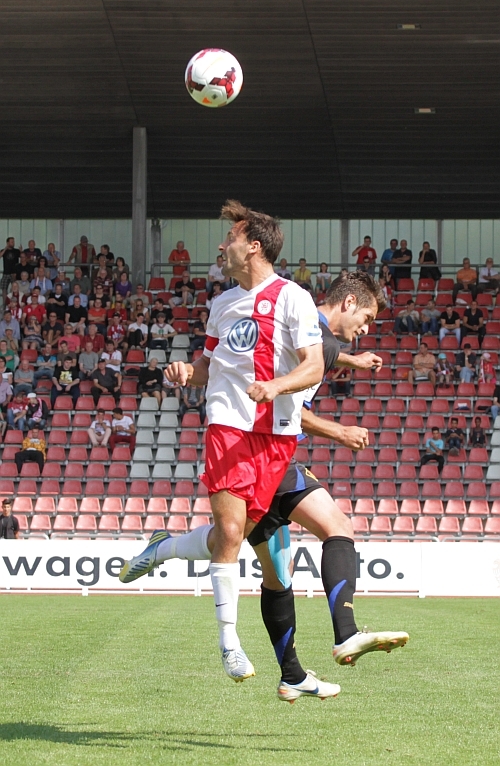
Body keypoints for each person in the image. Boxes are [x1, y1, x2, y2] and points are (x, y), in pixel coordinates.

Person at [121, 269, 409, 698]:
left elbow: (315, 355)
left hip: (272, 453)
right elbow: (295, 402)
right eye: (366, 318)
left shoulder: (313, 332)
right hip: (264, 450)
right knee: (333, 530)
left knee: (270, 570)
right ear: (348, 303)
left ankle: (292, 674)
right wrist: (340, 431)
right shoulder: (312, 332)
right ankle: (344, 634)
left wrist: (353, 361)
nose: (365, 329)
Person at [161, 200, 325, 683]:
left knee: (232, 536)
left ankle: (163, 548)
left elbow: (314, 365)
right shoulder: (221, 304)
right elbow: (207, 367)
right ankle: (229, 643)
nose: (221, 246)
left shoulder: (293, 297)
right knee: (231, 533)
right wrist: (186, 372)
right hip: (228, 425)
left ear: (253, 246)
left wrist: (276, 387)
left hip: (277, 436)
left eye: (230, 238)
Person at [0, 237, 21, 302]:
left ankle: (14, 303)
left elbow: (23, 258)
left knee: (15, 289)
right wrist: (5, 248)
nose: (13, 243)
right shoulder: (3, 250)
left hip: (14, 273)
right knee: (4, 289)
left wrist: (21, 251)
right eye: (11, 242)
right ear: (8, 242)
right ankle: (5, 304)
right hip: (6, 273)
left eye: (13, 242)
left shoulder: (17, 251)